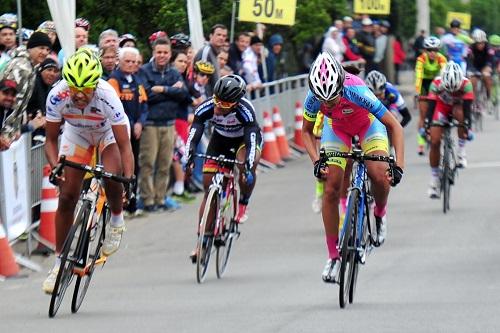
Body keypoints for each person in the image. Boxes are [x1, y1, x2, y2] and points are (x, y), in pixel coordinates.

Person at [301, 52, 404, 283]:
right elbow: (306, 132)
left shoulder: (357, 90)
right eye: (323, 100)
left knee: (379, 175)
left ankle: (379, 213)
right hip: (337, 129)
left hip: (368, 125)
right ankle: (333, 257)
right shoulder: (313, 97)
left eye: (333, 98)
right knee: (330, 189)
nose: (328, 103)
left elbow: (394, 126)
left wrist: (398, 165)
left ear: (340, 86)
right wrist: (316, 162)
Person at [42, 49, 134, 293]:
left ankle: (116, 219)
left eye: (86, 89)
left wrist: (129, 179)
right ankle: (59, 262)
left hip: (108, 134)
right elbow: (50, 140)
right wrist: (56, 166)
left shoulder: (107, 95)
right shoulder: (57, 95)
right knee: (67, 196)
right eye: (75, 89)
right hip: (76, 133)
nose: (80, 95)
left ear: (96, 84)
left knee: (112, 177)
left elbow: (124, 146)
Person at [185, 74, 262, 261]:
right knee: (208, 189)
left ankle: (243, 202)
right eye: (217, 101)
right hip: (219, 140)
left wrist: (249, 168)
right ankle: (202, 241)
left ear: (236, 103)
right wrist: (189, 156)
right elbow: (194, 133)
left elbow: (251, 143)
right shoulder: (207, 107)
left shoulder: (246, 111)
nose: (219, 107)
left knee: (246, 166)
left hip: (243, 141)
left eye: (225, 105)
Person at [138, 37, 189, 212]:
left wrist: (161, 89)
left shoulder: (174, 72)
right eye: (159, 52)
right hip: (150, 124)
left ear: (169, 54)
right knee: (148, 163)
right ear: (153, 52)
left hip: (169, 124)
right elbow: (147, 95)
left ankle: (161, 198)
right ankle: (148, 200)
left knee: (165, 163)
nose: (162, 55)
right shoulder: (144, 71)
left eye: (165, 52)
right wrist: (171, 90)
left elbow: (183, 94)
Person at [108, 47, 148, 217]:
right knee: (118, 168)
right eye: (128, 61)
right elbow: (115, 106)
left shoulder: (137, 80)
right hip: (120, 131)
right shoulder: (113, 80)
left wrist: (140, 123)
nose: (131, 64)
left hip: (135, 132)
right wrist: (131, 124)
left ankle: (132, 204)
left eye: (134, 62)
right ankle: (118, 205)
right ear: (120, 62)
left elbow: (144, 104)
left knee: (133, 167)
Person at [425, 61, 473, 198]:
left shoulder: (467, 84)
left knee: (462, 117)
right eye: (448, 89)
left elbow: (468, 109)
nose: (452, 92)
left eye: (455, 90)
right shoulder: (436, 84)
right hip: (441, 107)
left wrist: (466, 125)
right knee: (434, 141)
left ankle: (461, 153)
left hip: (458, 107)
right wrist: (428, 124)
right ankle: (434, 179)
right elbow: (431, 107)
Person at [415, 36, 447, 155]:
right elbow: (418, 76)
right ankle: (421, 143)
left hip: (437, 83)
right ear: (425, 51)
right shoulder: (421, 59)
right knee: (423, 115)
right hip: (424, 83)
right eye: (429, 50)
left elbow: (445, 75)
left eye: (435, 50)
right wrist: (418, 92)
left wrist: (444, 90)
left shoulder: (442, 58)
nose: (433, 53)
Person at [194, 24, 228, 94]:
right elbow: (201, 81)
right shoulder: (206, 52)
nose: (221, 38)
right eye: (218, 35)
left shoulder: (215, 53)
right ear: (211, 36)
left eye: (224, 36)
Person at [467, 29, 495, 101]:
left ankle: (489, 95)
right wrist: (471, 70)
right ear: (475, 43)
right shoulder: (470, 48)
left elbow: (491, 59)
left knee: (486, 76)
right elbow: (468, 60)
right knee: (472, 80)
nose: (481, 45)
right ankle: (473, 98)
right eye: (478, 43)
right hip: (474, 66)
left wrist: (488, 66)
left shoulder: (488, 48)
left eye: (482, 43)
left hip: (485, 65)